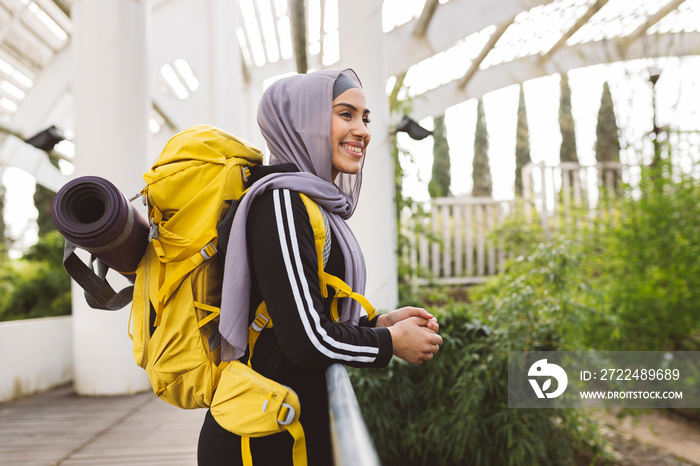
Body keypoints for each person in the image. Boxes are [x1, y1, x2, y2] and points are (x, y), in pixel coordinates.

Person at [198, 69, 442, 465]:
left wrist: (377, 324)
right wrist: (390, 343)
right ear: (305, 122)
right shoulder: (281, 204)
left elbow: (298, 316)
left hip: (286, 425)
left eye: (365, 118)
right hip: (260, 440)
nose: (361, 129)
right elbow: (305, 341)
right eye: (345, 114)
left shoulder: (310, 204)